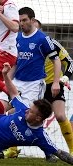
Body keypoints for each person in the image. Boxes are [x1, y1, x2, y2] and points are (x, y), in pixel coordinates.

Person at [0, 7, 62, 158]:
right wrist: (6, 78)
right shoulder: (17, 38)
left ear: (32, 20)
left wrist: (56, 82)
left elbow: (57, 60)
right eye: (19, 21)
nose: (21, 24)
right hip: (16, 82)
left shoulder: (42, 39)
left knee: (28, 118)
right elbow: (15, 62)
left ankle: (48, 150)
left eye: (25, 20)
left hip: (34, 84)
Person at [33, 19, 73, 155]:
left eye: (37, 30)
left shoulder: (51, 43)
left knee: (60, 116)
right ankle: (13, 150)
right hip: (34, 85)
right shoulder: (24, 43)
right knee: (24, 117)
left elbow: (69, 62)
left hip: (53, 84)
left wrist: (64, 78)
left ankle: (72, 150)